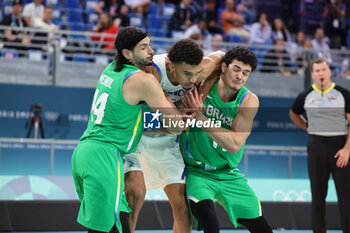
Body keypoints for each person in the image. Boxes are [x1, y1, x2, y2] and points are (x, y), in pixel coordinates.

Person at [71, 27, 185, 233]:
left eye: (150, 45)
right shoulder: (144, 81)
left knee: (117, 225)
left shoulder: (111, 68)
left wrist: (155, 120)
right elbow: (176, 125)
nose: (151, 51)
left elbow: (126, 114)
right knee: (104, 230)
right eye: (143, 47)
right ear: (127, 53)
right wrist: (171, 99)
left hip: (84, 153)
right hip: (104, 156)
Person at [123, 39, 224, 233]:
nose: (192, 80)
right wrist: (179, 115)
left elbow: (221, 57)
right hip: (137, 136)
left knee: (182, 209)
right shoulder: (150, 73)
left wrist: (200, 95)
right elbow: (166, 125)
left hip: (166, 144)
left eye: (196, 74)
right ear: (170, 66)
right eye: (187, 74)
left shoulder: (197, 70)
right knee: (135, 196)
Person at [179, 46, 273, 232]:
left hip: (227, 173)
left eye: (245, 73)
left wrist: (202, 120)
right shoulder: (203, 87)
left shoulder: (248, 100)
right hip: (197, 172)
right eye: (236, 69)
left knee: (264, 230)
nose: (240, 76)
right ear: (223, 67)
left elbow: (234, 144)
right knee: (211, 224)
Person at [290, 58, 350, 233]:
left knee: (346, 197)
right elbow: (294, 113)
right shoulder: (305, 95)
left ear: (329, 71)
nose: (321, 73)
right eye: (317, 71)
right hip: (316, 146)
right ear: (313, 74)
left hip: (340, 148)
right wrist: (307, 127)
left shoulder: (344, 94)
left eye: (323, 69)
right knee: (317, 196)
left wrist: (347, 149)